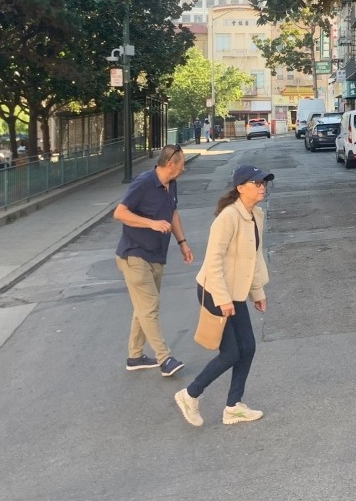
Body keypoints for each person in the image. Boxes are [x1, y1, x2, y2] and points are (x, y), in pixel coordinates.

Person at [174, 165, 272, 427]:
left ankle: (233, 406)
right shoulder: (228, 217)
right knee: (231, 353)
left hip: (235, 292)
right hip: (215, 290)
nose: (262, 187)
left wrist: (257, 292)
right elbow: (213, 261)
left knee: (248, 348)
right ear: (240, 188)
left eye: (264, 183)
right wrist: (223, 299)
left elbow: (253, 258)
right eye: (256, 183)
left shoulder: (255, 215)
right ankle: (189, 394)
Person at [113, 144, 194, 377]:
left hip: (157, 254)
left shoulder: (172, 184)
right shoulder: (143, 182)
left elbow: (173, 212)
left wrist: (182, 243)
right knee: (150, 307)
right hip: (134, 254)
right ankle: (164, 358)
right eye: (182, 164)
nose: (183, 168)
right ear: (170, 164)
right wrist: (151, 223)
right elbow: (119, 213)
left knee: (144, 307)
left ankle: (135, 356)